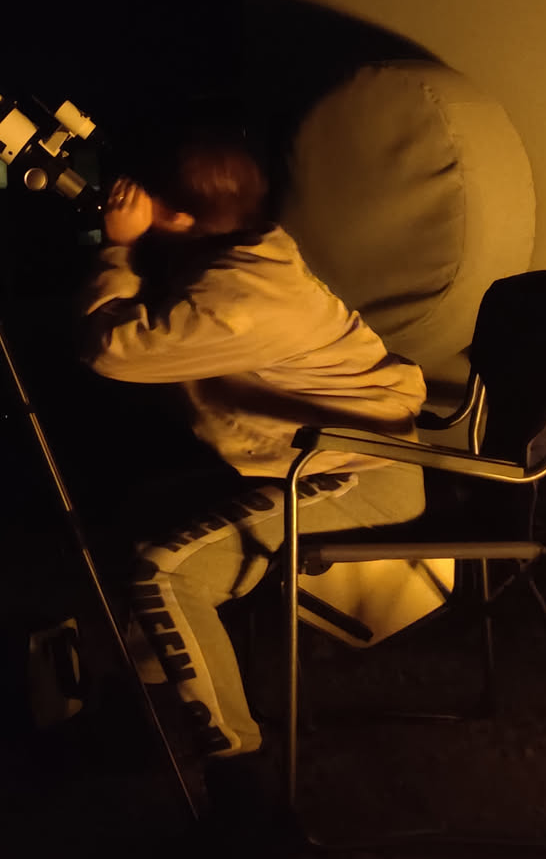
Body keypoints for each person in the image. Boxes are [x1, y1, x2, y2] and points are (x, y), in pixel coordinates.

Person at [79, 127, 428, 807]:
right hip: (321, 460)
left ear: (181, 217)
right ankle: (139, 720)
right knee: (144, 513)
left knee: (166, 574)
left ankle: (241, 781)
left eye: (145, 200)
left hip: (358, 475)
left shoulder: (243, 300)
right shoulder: (251, 249)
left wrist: (117, 247)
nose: (128, 204)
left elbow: (113, 351)